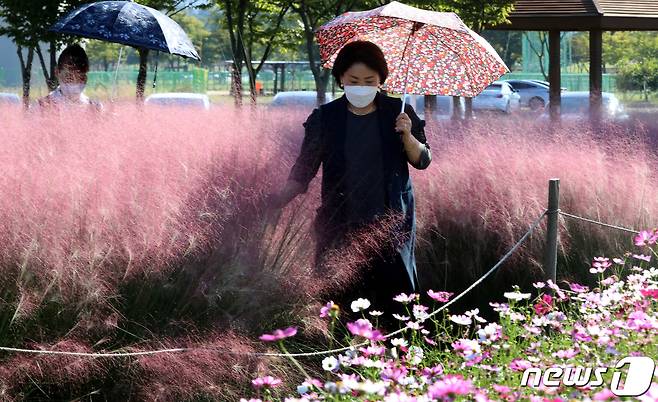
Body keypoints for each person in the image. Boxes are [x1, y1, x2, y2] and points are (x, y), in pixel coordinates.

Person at [268, 41, 432, 319]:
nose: (361, 86)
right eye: (354, 80)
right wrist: (272, 203)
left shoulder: (399, 112)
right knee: (340, 301)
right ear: (341, 78)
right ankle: (342, 356)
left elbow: (422, 160)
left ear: (381, 80)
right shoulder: (325, 118)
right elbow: (303, 172)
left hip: (391, 225)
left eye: (369, 80)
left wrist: (407, 135)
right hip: (339, 223)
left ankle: (397, 359)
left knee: (396, 304)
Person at [37, 44, 102, 112]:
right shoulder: (42, 107)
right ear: (57, 72)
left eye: (80, 78)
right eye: (69, 77)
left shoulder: (95, 108)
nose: (74, 82)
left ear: (86, 78)